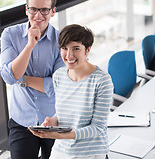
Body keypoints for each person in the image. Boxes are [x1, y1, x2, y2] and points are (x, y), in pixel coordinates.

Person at [29, 24, 113, 159]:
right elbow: (62, 115)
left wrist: (60, 135)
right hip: (62, 150)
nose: (69, 55)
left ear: (87, 50)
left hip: (91, 153)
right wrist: (53, 122)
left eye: (76, 49)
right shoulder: (59, 76)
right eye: (64, 48)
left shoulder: (102, 81)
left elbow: (97, 128)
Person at [0, 0, 65, 159]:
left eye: (44, 10)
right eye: (33, 9)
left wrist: (23, 79)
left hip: (54, 120)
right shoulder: (10, 35)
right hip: (22, 122)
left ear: (53, 11)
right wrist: (30, 45)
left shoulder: (61, 41)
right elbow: (8, 76)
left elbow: (59, 85)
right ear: (26, 10)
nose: (38, 16)